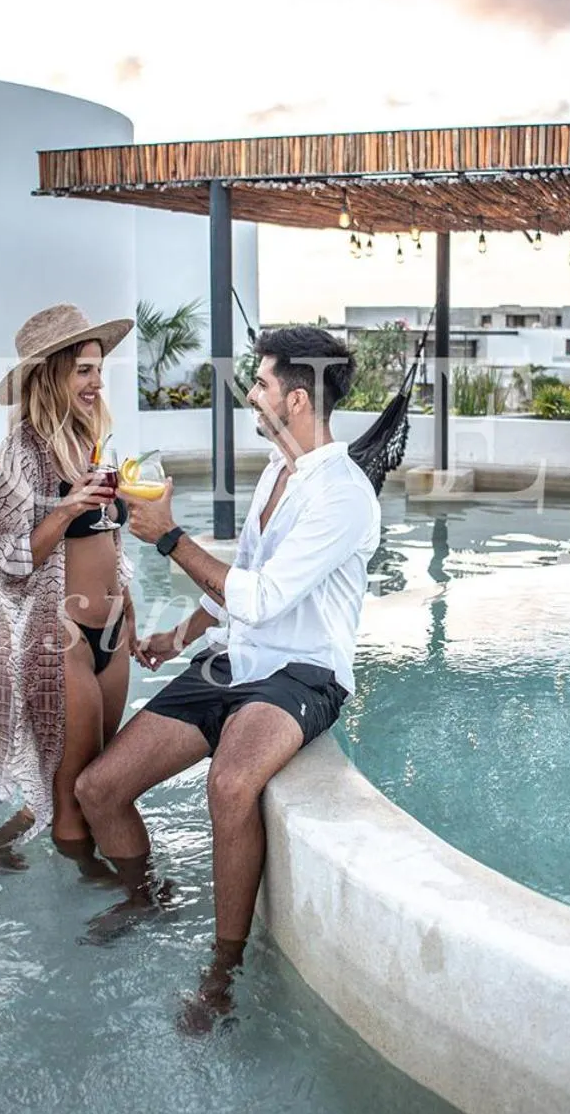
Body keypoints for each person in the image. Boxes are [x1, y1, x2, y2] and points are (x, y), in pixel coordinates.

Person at [75, 326, 380, 1032]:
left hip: (303, 670)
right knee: (99, 787)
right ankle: (144, 895)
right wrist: (173, 638)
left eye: (263, 383)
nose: (252, 393)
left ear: (296, 399)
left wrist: (169, 537)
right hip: (233, 661)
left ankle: (222, 968)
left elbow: (264, 597)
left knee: (231, 783)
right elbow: (236, 583)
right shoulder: (277, 471)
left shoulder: (342, 494)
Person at [0, 303, 138, 872]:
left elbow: (112, 549)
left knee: (97, 778)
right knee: (69, 793)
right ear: (51, 374)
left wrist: (132, 613)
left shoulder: (94, 446)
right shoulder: (17, 458)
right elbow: (7, 559)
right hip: (62, 637)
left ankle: (10, 845)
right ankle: (85, 895)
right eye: (83, 369)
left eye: (99, 369)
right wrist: (67, 507)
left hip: (113, 634)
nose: (97, 381)